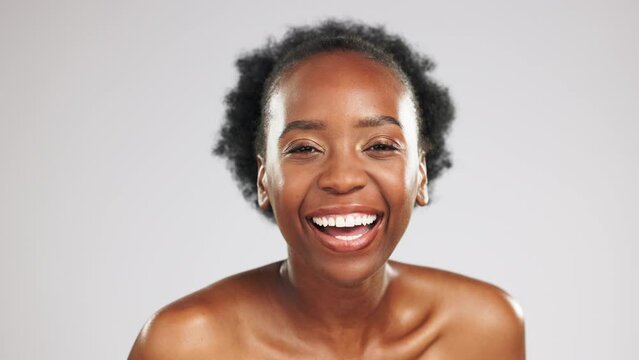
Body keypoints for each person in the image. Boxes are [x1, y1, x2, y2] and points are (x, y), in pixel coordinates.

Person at [129, 20, 525, 359]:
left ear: (420, 175)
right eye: (304, 148)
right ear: (263, 179)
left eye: (380, 146)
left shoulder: (484, 329)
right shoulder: (185, 345)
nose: (342, 178)